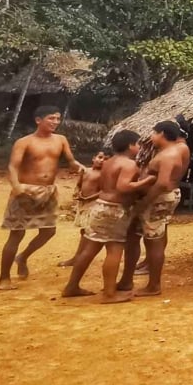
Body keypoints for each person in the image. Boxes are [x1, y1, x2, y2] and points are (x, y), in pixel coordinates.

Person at [0, 109, 82, 291]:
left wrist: (83, 169)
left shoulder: (61, 140)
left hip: (48, 192)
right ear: (38, 120)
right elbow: (13, 167)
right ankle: (4, 278)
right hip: (26, 190)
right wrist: (17, 188)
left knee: (48, 231)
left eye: (58, 118)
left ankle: (23, 257)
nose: (55, 122)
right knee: (16, 234)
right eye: (51, 118)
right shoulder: (24, 142)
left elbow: (71, 161)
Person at [62, 130, 142, 303]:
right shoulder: (129, 165)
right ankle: (109, 294)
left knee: (89, 249)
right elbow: (123, 187)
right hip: (115, 210)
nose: (139, 147)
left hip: (100, 206)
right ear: (130, 145)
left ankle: (71, 286)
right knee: (115, 249)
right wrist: (146, 181)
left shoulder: (108, 163)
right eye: (138, 144)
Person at [118, 120, 190, 297]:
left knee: (153, 241)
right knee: (134, 236)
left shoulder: (169, 155)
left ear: (162, 134)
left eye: (153, 133)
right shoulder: (171, 151)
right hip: (155, 200)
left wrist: (144, 202)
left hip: (157, 201)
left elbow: (163, 183)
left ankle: (154, 285)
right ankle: (127, 280)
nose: (151, 136)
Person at [58, 150, 109, 268]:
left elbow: (103, 191)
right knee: (84, 231)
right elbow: (79, 184)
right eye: (100, 157)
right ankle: (79, 257)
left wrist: (88, 198)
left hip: (93, 205)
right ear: (93, 158)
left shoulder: (104, 175)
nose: (102, 161)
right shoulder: (85, 171)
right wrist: (77, 193)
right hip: (83, 205)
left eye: (106, 159)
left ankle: (79, 258)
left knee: (88, 232)